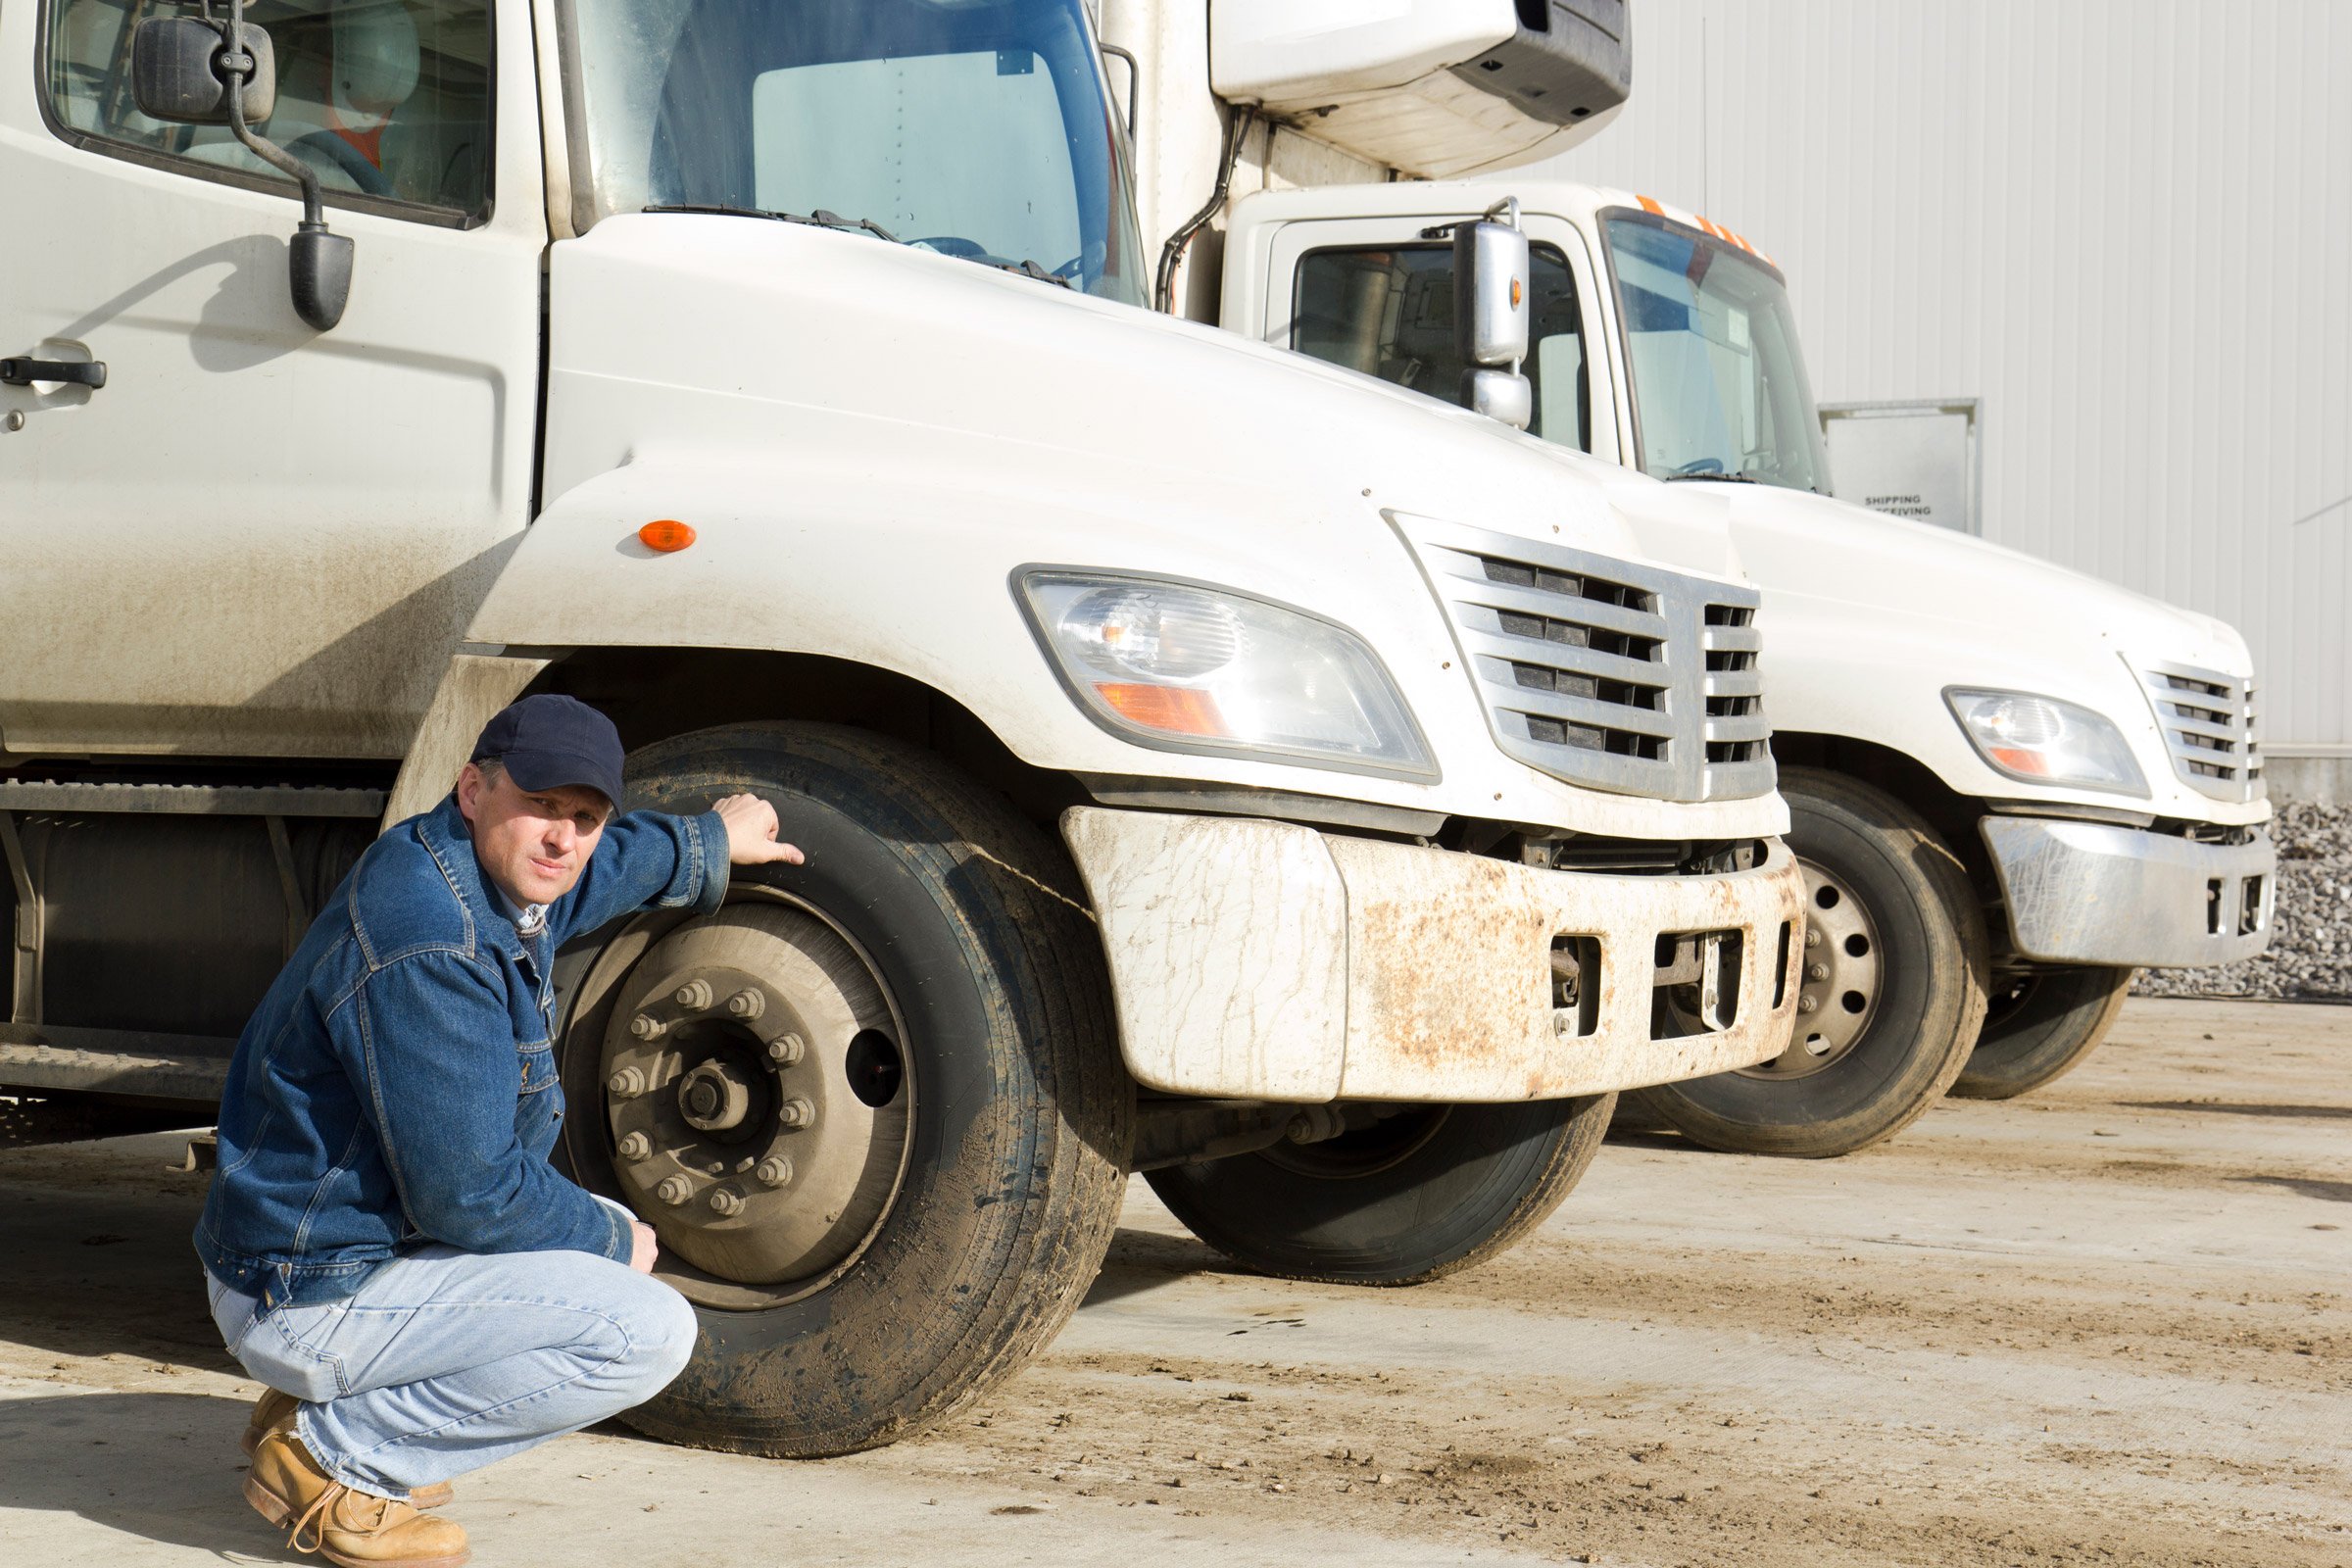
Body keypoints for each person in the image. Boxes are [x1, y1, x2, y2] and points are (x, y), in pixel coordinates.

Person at [193, 694, 803, 1567]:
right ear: (473, 787)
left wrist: (704, 842)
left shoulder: (457, 864)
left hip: (312, 1251)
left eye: (586, 816)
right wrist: (605, 1235)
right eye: (542, 806)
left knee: (580, 1234)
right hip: (304, 1290)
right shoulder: (432, 942)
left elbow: (585, 877)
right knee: (644, 1329)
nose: (562, 837)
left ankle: (323, 1407)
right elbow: (468, 1193)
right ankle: (336, 1458)